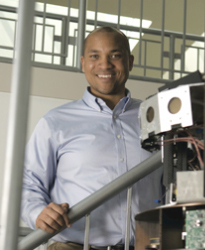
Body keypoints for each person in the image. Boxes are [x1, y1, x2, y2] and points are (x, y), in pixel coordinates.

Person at [21, 26, 162, 250]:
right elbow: (27, 182)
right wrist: (37, 212)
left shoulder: (156, 118)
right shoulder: (55, 122)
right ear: (83, 62)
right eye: (95, 56)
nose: (105, 65)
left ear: (130, 62)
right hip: (74, 246)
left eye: (115, 55)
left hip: (146, 246)